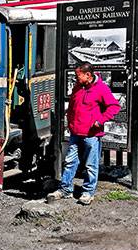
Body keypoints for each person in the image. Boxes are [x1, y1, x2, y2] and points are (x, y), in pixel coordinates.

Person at [47, 63, 120, 205]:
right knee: (69, 162)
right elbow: (74, 105)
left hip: (91, 135)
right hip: (76, 132)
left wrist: (100, 120)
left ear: (88, 75)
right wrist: (69, 120)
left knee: (90, 165)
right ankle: (65, 189)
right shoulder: (78, 87)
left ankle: (88, 192)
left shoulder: (101, 89)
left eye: (78, 75)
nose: (76, 78)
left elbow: (114, 106)